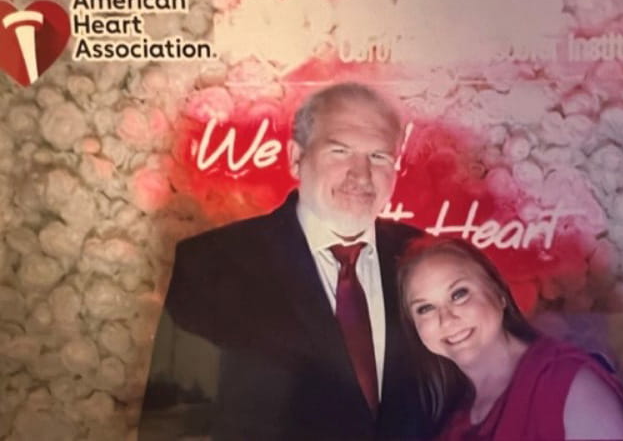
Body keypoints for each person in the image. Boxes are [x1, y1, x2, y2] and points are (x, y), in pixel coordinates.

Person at [139, 83, 428, 440]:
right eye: (340, 151)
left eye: (379, 156)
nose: (361, 175)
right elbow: (171, 420)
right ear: (295, 157)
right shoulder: (210, 264)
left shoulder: (423, 257)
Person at [396, 237, 623, 440]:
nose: (446, 319)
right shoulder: (451, 420)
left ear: (499, 293)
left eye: (459, 294)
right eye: (425, 308)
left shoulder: (565, 384)